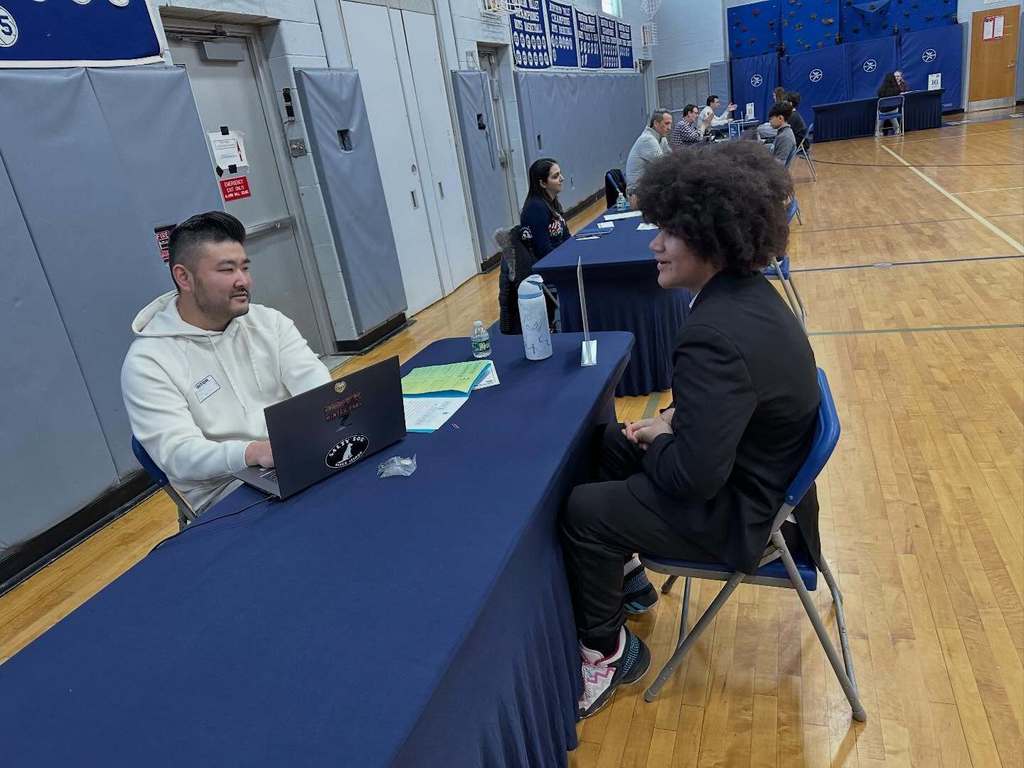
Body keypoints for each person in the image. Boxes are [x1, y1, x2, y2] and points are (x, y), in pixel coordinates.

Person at [561, 142, 821, 718]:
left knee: (584, 509)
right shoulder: (748, 297)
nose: (654, 244)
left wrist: (661, 436)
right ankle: (628, 577)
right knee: (611, 441)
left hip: (741, 513)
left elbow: (694, 477)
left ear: (712, 236)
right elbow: (744, 399)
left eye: (669, 233)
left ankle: (608, 653)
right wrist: (676, 417)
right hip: (766, 478)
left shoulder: (713, 333)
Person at [121, 211, 332, 514]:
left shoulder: (268, 322)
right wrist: (253, 452)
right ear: (184, 277)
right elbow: (178, 455)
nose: (242, 281)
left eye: (245, 267)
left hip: (293, 458)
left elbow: (316, 387)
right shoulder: (148, 362)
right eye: (226, 270)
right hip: (226, 492)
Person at [520, 158, 570, 260]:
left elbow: (566, 237)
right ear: (543, 183)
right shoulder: (535, 209)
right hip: (550, 265)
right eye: (555, 176)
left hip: (561, 257)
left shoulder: (553, 202)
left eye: (560, 174)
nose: (562, 178)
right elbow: (543, 251)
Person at [624, 109, 672, 195]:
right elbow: (664, 167)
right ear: (656, 124)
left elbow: (672, 159)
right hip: (636, 192)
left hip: (648, 186)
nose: (669, 128)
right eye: (666, 123)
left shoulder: (661, 137)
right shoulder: (648, 139)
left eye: (670, 124)